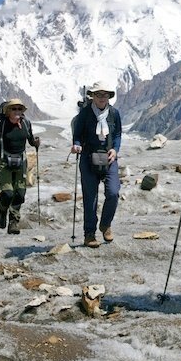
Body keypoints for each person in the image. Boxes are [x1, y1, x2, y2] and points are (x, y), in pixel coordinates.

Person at [70, 81, 122, 248]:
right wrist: (76, 144)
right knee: (90, 198)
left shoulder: (114, 113)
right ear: (92, 96)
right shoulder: (85, 114)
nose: (102, 98)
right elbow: (77, 134)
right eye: (99, 94)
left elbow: (117, 134)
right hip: (87, 158)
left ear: (109, 97)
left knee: (113, 192)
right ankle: (89, 234)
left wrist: (115, 149)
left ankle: (105, 224)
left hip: (109, 158)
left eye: (105, 95)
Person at [0, 98, 40, 235]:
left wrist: (36, 143)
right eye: (14, 109)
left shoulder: (26, 124)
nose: (17, 112)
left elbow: (31, 140)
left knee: (20, 193)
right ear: (8, 111)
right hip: (5, 161)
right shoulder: (2, 125)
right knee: (8, 192)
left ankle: (13, 222)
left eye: (20, 109)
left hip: (21, 161)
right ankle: (2, 209)